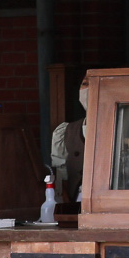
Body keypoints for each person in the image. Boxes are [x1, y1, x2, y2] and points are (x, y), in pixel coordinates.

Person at [50, 72, 89, 202]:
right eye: (85, 84)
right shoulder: (67, 131)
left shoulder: (119, 128)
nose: (89, 89)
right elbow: (61, 173)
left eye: (95, 84)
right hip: (76, 201)